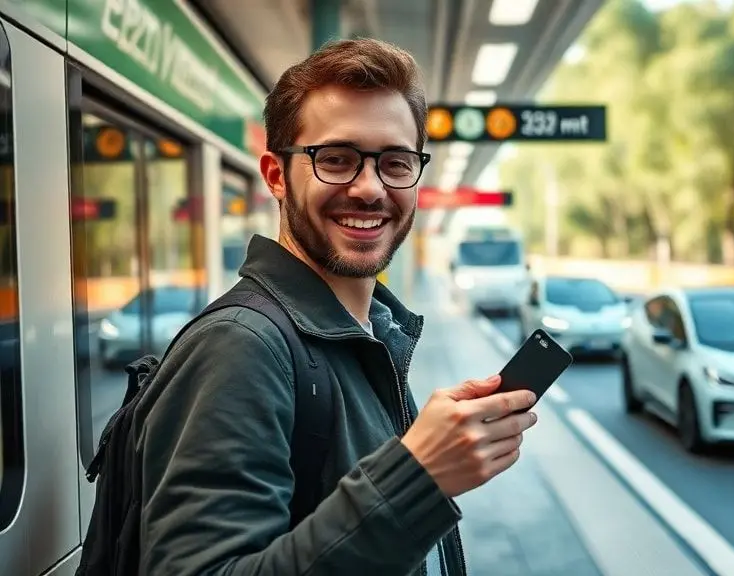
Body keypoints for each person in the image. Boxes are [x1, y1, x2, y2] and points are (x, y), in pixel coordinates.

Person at [134, 38, 539, 576]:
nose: (370, 189)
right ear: (276, 175)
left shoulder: (367, 336)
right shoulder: (240, 347)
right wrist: (418, 477)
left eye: (396, 163)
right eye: (336, 160)